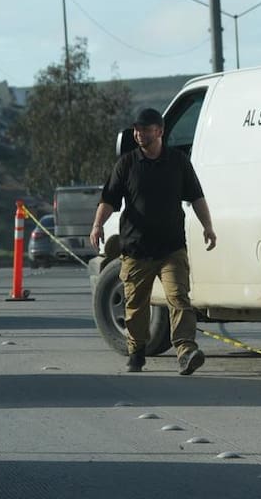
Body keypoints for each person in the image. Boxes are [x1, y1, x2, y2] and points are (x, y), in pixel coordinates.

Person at [89, 107, 217, 374]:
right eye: (136, 129)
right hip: (136, 250)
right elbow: (109, 199)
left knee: (179, 298)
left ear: (159, 131)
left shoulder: (178, 162)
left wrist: (208, 227)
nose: (139, 134)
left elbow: (196, 196)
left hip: (172, 248)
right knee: (135, 306)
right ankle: (136, 351)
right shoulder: (126, 164)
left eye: (145, 130)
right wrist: (98, 225)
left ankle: (185, 351)